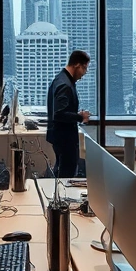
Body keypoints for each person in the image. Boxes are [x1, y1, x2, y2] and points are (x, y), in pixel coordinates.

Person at [46, 50, 91, 178]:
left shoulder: (61, 79)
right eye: (85, 68)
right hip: (65, 138)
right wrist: (80, 117)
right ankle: (62, 197)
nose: (85, 73)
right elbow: (59, 113)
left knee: (61, 171)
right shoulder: (65, 84)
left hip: (60, 136)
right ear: (77, 65)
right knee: (66, 176)